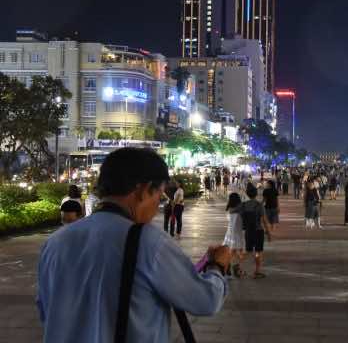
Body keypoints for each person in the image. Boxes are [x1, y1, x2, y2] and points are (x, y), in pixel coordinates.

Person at [37, 147, 230, 343]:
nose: (157, 208)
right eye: (159, 196)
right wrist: (217, 266)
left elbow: (46, 312)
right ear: (143, 190)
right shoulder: (149, 242)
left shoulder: (55, 243)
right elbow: (204, 300)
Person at [240, 185, 272, 278]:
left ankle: (238, 264)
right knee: (258, 251)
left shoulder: (244, 205)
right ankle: (257, 271)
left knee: (248, 250)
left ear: (247, 194)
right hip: (258, 231)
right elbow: (264, 220)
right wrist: (269, 233)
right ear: (256, 194)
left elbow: (241, 218)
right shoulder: (259, 205)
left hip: (248, 231)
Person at [223, 193, 245, 277]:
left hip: (230, 233)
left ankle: (230, 267)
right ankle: (236, 269)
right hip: (238, 233)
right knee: (238, 252)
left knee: (232, 252)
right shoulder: (240, 210)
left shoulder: (229, 209)